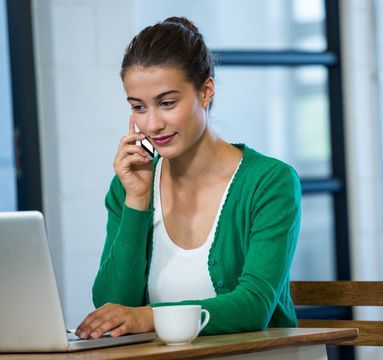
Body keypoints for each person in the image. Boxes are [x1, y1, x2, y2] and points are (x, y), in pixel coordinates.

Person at [75, 16, 301, 340]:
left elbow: (254, 306)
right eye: (138, 107)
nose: (152, 124)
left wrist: (148, 317)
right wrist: (137, 202)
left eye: (167, 103)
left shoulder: (270, 182)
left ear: (205, 91)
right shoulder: (128, 186)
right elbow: (113, 308)